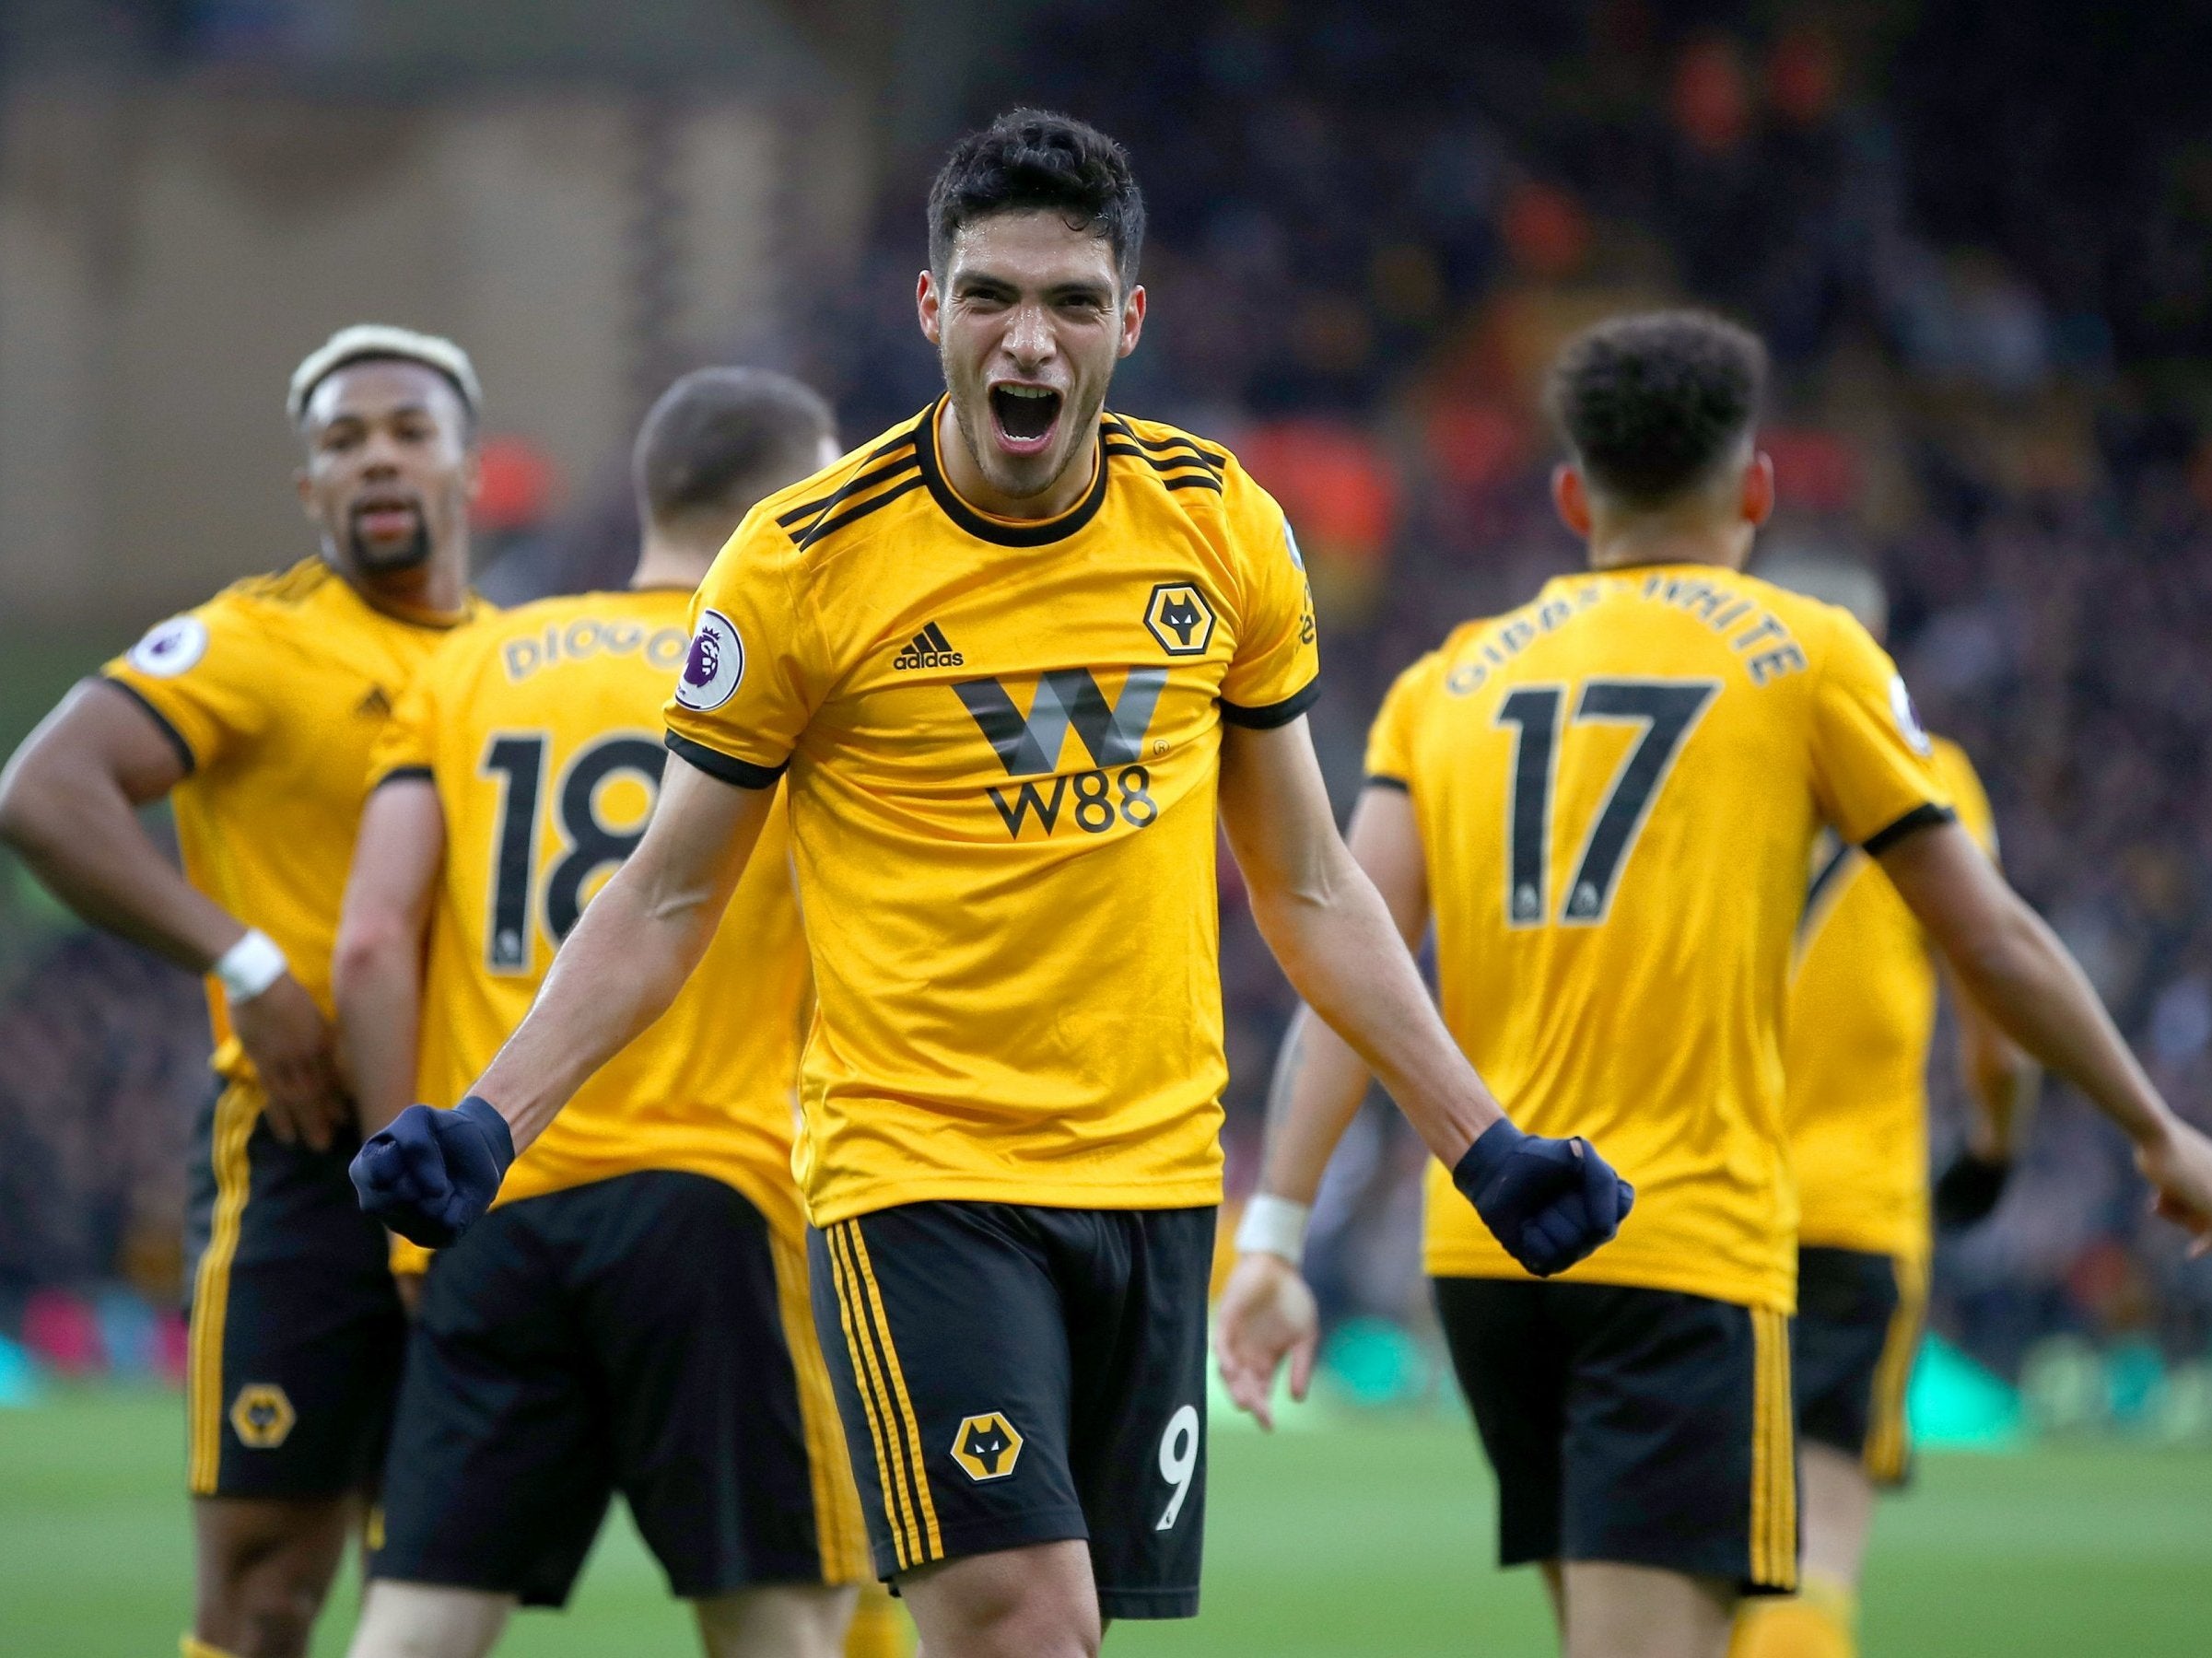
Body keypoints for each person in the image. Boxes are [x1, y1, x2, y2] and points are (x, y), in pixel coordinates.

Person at [348, 110, 1632, 1658]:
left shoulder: (1222, 529)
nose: (1029, 342)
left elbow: (1310, 885)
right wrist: (496, 1118)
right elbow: (666, 896)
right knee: (1029, 1624)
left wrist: (1477, 1142)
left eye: (1072, 302)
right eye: (992, 297)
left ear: (1129, 321)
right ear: (930, 308)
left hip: (1154, 1185)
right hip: (919, 1177)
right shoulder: (802, 562)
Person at [1213, 310, 2212, 1658]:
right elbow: (1993, 941)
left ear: (1573, 496)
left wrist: (1274, 1236)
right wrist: (2154, 1131)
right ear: (1754, 488)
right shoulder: (1806, 655)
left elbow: (1353, 960)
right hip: (1679, 1245)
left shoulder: (1443, 681)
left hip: (1491, 1250)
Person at [332, 366, 914, 1658]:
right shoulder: (798, 676)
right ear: (785, 497)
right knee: (780, 1619)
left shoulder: (475, 665)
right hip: (714, 1196)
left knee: (417, 1623)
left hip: (496, 1193)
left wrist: (414, 1212)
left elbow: (370, 945)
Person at [0, 325, 486, 1658]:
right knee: (269, 1593)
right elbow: (43, 793)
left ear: (468, 467)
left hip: (485, 1154)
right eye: (341, 440)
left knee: (446, 1579)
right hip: (303, 1157)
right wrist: (247, 962)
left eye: (406, 430)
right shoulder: (252, 642)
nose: (376, 456)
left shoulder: (522, 663)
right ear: (308, 489)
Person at [1729, 551, 2037, 1658]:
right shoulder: (1933, 779)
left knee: (1692, 1554)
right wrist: (1993, 1147)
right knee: (1817, 1553)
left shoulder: (1712, 770)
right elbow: (1995, 1008)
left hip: (1701, 1214)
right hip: (1854, 1213)